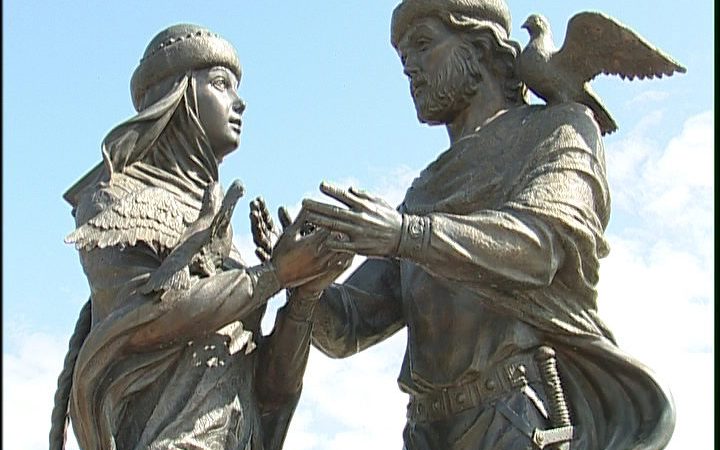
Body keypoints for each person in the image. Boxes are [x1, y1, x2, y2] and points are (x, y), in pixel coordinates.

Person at [294, 1, 676, 449]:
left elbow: (539, 247)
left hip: (517, 420)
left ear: (479, 47)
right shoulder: (423, 192)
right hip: (426, 433)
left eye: (423, 45)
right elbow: (348, 326)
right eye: (403, 58)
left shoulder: (560, 129)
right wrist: (299, 278)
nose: (410, 68)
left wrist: (405, 235)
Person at [51, 24, 348, 450]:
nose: (240, 102)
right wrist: (273, 275)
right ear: (179, 94)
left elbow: (269, 394)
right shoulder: (112, 200)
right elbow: (145, 321)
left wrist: (303, 294)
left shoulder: (230, 247)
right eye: (222, 84)